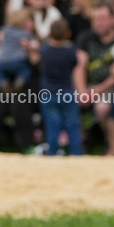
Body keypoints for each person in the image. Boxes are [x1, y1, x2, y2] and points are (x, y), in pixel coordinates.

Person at [72, 0, 114, 156]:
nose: (98, 23)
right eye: (95, 19)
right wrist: (82, 92)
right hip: (88, 87)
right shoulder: (85, 37)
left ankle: (109, 145)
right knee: (68, 100)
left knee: (102, 107)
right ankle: (79, 145)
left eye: (102, 19)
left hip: (111, 88)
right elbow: (79, 66)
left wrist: (96, 91)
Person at [28, 18, 83, 156]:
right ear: (68, 34)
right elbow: (76, 64)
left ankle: (52, 153)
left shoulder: (45, 50)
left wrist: (30, 49)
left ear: (50, 34)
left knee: (52, 126)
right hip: (67, 92)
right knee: (73, 125)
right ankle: (76, 154)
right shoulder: (71, 51)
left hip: (48, 93)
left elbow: (35, 60)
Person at [0, 8, 35, 93]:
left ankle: (2, 82)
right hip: (18, 61)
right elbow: (34, 44)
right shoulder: (25, 34)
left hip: (2, 60)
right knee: (26, 70)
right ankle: (21, 79)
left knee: (1, 72)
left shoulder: (4, 31)